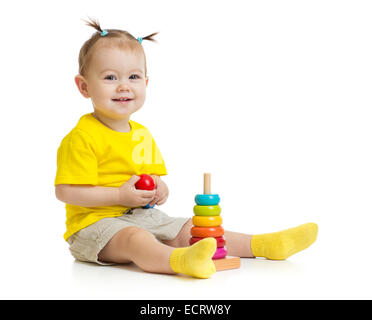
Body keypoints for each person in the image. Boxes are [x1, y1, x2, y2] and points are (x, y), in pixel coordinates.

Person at [55, 18, 318, 279]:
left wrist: (159, 190)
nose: (124, 86)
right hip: (93, 227)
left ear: (145, 83)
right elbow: (66, 192)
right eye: (110, 77)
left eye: (133, 76)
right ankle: (182, 261)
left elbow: (153, 180)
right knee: (135, 239)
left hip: (140, 217)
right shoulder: (81, 137)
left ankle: (264, 244)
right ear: (84, 86)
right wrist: (119, 196)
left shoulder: (142, 135)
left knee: (195, 229)